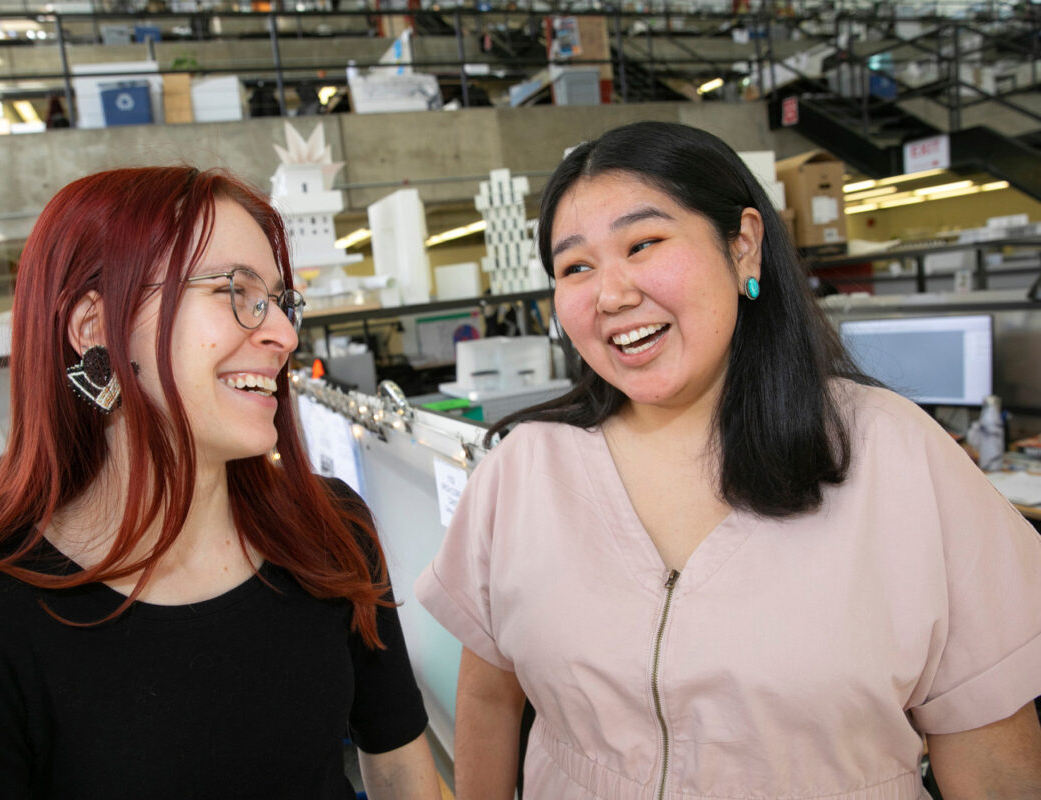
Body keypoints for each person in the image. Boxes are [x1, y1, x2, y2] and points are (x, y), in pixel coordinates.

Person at [416, 122, 1041, 799]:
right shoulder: (524, 472)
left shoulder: (895, 457)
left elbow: (991, 755)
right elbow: (486, 702)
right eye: (575, 267)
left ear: (742, 244)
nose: (611, 293)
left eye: (643, 243)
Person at [0, 166, 440, 800]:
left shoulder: (329, 530)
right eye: (236, 291)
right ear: (95, 329)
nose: (283, 334)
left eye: (281, 301)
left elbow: (399, 769)